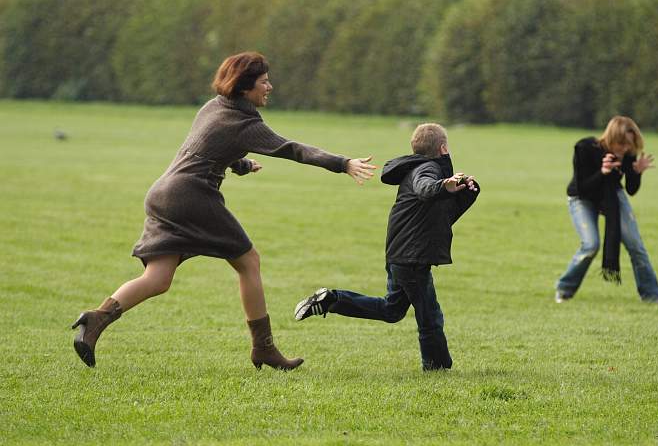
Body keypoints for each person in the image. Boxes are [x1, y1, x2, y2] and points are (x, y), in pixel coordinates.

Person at [71, 52, 377, 370]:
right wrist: (343, 163)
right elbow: (292, 149)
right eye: (264, 82)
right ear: (245, 88)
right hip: (192, 196)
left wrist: (241, 165)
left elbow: (208, 146)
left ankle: (96, 319)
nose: (270, 86)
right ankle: (264, 348)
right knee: (249, 262)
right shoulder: (246, 123)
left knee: (158, 278)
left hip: (163, 193)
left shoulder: (214, 106)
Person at [293, 123, 479, 371]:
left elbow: (436, 218)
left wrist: (465, 195)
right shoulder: (427, 170)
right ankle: (437, 368)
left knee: (391, 310)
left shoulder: (420, 169)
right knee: (430, 316)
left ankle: (331, 300)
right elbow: (426, 190)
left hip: (402, 254)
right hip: (409, 258)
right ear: (443, 148)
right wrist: (444, 185)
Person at [555, 115, 658, 303]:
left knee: (635, 245)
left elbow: (631, 189)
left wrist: (636, 173)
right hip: (582, 198)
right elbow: (582, 188)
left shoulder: (628, 153)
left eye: (630, 145)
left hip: (611, 196)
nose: (626, 149)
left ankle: (652, 294)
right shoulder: (585, 148)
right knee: (590, 245)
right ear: (612, 138)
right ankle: (565, 288)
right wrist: (602, 173)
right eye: (622, 144)